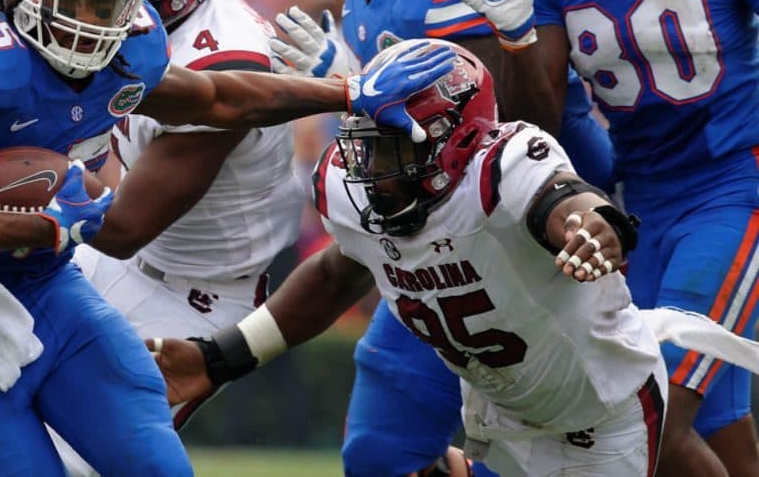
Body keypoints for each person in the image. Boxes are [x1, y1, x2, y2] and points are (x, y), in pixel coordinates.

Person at [0, 0, 454, 474]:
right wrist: (47, 225)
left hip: (56, 291)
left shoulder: (127, 47)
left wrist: (346, 92)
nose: (95, 19)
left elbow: (218, 98)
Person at [149, 38, 673, 476]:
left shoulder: (503, 166)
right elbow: (337, 274)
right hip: (500, 409)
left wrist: (593, 231)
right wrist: (219, 359)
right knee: (380, 459)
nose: (369, 166)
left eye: (391, 146)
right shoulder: (351, 191)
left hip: (601, 415)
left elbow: (565, 199)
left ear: (457, 140)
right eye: (365, 143)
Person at [222, 0, 611, 474]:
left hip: (533, 229)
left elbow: (484, 128)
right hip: (436, 238)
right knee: (380, 455)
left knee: (574, 449)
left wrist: (346, 80)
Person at [446, 0, 759, 474]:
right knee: (702, 416)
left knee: (651, 414)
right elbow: (540, 121)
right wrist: (515, 38)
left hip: (734, 181)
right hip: (635, 197)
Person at [52, 0, 305, 474]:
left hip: (197, 290)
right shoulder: (145, 22)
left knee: (74, 460)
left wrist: (33, 177)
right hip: (131, 257)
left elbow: (122, 228)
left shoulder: (222, 55)